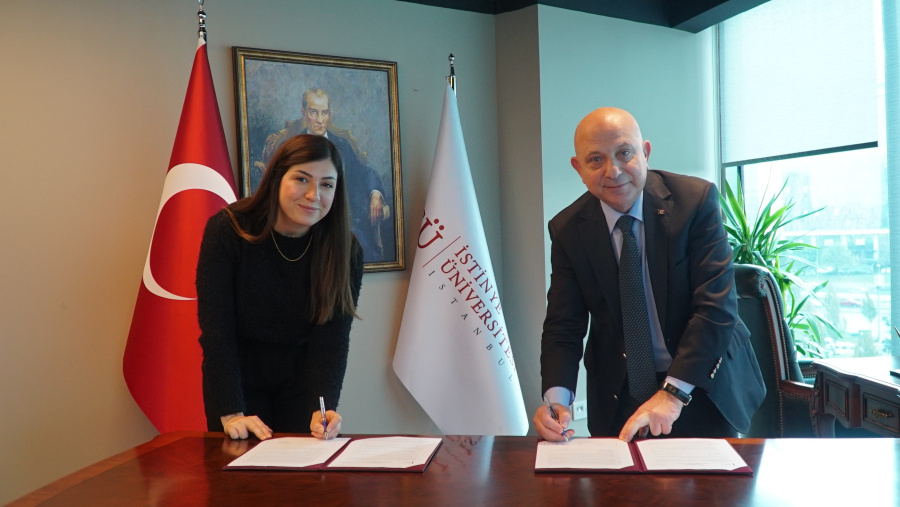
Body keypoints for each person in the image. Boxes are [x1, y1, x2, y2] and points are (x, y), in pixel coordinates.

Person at [534, 108, 765, 443]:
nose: (613, 171)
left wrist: (672, 394)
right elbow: (563, 325)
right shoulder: (568, 230)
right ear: (578, 168)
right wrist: (556, 401)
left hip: (701, 384)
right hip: (619, 395)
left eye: (624, 153)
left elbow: (716, 308)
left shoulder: (694, 202)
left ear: (645, 152)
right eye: (596, 159)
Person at [197, 134, 364, 440]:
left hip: (303, 384)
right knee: (241, 467)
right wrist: (231, 411)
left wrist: (323, 408)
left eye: (327, 184)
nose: (314, 195)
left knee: (306, 469)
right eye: (301, 179)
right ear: (276, 178)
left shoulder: (345, 250)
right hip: (237, 382)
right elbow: (217, 331)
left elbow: (332, 340)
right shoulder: (228, 231)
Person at [258, 88, 389, 262]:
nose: (320, 120)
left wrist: (375, 193)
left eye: (324, 113)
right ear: (304, 113)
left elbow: (363, 172)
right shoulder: (290, 148)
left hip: (342, 225)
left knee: (364, 254)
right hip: (301, 226)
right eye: (314, 112)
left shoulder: (343, 146)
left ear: (329, 114)